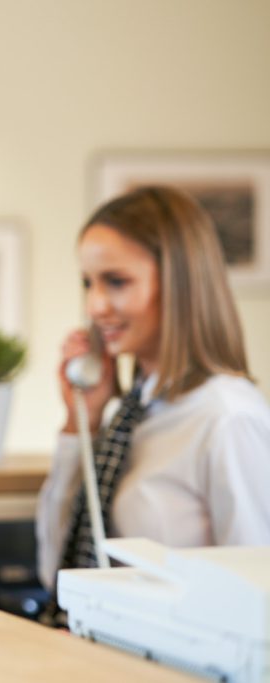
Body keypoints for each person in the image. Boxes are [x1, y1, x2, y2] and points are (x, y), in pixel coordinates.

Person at [36, 185, 270, 601]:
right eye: (88, 283)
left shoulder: (227, 418)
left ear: (180, 284)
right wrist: (80, 423)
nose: (95, 306)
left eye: (116, 281)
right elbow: (56, 569)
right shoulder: (134, 414)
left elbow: (258, 598)